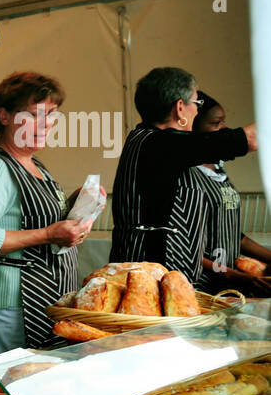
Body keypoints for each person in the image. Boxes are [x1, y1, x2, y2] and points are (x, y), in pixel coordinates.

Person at [0, 72, 91, 359]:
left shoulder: (36, 166)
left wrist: (77, 204)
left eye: (52, 115)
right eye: (34, 115)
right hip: (15, 304)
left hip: (49, 300)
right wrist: (47, 235)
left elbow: (34, 219)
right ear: (4, 116)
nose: (46, 125)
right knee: (13, 390)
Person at [109, 68, 257, 282]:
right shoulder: (161, 144)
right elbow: (249, 140)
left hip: (161, 277)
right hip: (149, 280)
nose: (197, 112)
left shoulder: (149, 140)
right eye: (196, 104)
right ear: (180, 108)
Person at [191, 92, 271, 293]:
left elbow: (235, 235)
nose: (224, 129)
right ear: (193, 128)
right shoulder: (187, 175)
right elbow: (184, 248)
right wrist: (238, 277)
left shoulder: (218, 168)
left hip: (229, 282)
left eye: (224, 122)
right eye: (216, 123)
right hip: (202, 285)